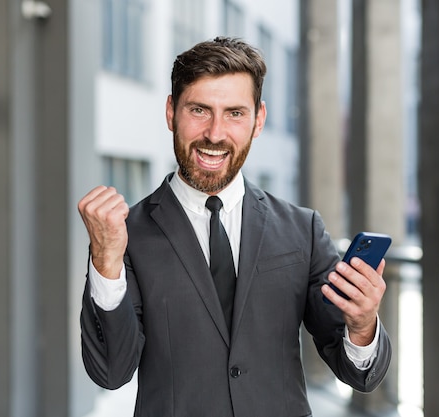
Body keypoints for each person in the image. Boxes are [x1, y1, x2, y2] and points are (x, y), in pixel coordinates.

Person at [78, 36, 391, 417]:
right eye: (199, 110)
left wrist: (362, 326)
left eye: (234, 113)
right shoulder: (127, 236)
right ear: (170, 111)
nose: (215, 133)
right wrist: (106, 262)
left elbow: (359, 374)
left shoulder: (301, 229)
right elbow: (111, 372)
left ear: (258, 120)